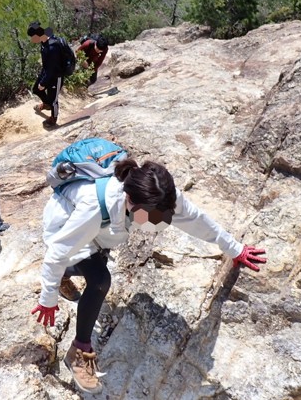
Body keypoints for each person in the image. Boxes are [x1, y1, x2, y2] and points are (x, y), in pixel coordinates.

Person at [30, 158, 266, 394]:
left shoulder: (161, 195)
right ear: (131, 201)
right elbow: (57, 253)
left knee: (95, 260)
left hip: (102, 232)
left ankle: (67, 273)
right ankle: (79, 352)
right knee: (100, 281)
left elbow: (197, 219)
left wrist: (235, 249)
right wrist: (48, 299)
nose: (161, 221)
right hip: (66, 226)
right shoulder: (94, 207)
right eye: (154, 216)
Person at [29, 21, 65, 128]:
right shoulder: (44, 39)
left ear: (37, 35)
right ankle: (46, 104)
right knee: (36, 89)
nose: (32, 39)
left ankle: (53, 118)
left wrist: (44, 82)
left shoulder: (52, 47)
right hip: (46, 71)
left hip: (56, 75)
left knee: (53, 99)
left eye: (32, 37)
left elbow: (52, 68)